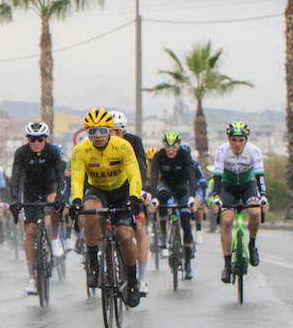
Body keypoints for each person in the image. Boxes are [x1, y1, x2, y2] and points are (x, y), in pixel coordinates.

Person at [69, 108, 144, 306]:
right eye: (92, 132)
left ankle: (133, 281)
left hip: (122, 191)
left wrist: (134, 197)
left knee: (125, 235)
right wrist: (76, 201)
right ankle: (93, 263)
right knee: (90, 212)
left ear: (110, 130)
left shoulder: (123, 146)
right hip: (97, 190)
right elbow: (77, 180)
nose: (98, 136)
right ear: (87, 133)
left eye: (102, 130)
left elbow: (135, 175)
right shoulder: (81, 150)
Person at [10, 120, 65, 294]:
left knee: (54, 201)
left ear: (45, 139)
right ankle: (32, 278)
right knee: (31, 231)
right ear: (27, 139)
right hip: (30, 192)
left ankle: (55, 238)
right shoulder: (21, 153)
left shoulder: (53, 151)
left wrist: (60, 197)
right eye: (32, 139)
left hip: (50, 187)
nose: (36, 143)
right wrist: (14, 199)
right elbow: (16, 178)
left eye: (40, 139)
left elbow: (60, 177)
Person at [210, 121, 266, 282]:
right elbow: (217, 177)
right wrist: (217, 197)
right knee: (227, 220)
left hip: (247, 186)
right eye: (234, 140)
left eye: (241, 140)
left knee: (255, 212)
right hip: (228, 187)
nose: (237, 144)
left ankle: (252, 244)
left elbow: (259, 176)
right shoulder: (222, 151)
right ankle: (227, 265)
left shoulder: (254, 151)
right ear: (228, 140)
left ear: (246, 140)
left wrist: (264, 197)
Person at [148, 131, 199, 279]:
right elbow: (153, 177)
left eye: (174, 146)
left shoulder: (184, 155)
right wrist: (154, 197)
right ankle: (163, 234)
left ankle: (188, 264)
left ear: (178, 146)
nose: (170, 150)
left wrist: (192, 197)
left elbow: (191, 176)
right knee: (161, 199)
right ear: (164, 146)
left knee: (186, 221)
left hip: (182, 187)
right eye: (167, 146)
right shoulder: (159, 156)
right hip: (166, 186)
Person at [112, 111, 151, 296]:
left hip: (132, 188)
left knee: (140, 229)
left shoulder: (134, 142)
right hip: (110, 189)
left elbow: (141, 166)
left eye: (117, 132)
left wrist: (140, 190)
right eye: (109, 132)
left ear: (124, 131)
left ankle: (141, 280)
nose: (113, 136)